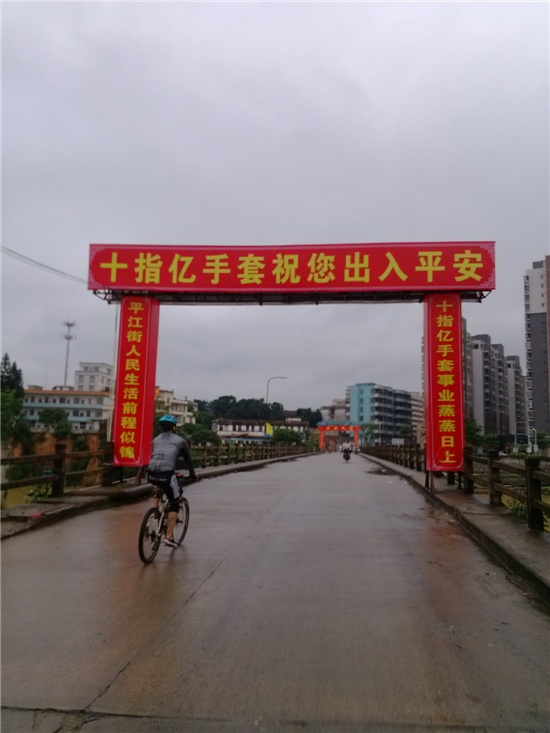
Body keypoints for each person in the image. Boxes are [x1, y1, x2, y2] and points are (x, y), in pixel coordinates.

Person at [148, 414, 197, 547]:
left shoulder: (155, 440)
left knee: (159, 485)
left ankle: (155, 512)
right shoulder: (180, 441)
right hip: (167, 474)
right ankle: (169, 537)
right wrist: (192, 475)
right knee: (175, 503)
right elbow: (188, 460)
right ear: (174, 427)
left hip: (151, 474)